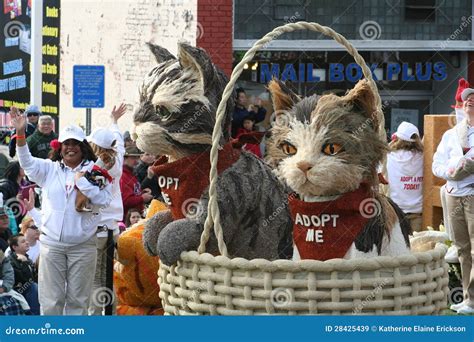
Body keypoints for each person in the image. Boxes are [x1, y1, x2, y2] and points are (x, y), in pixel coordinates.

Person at [11, 106, 113, 315]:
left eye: (75, 143)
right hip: (52, 246)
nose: (71, 148)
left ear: (83, 147)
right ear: (60, 147)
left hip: (83, 246)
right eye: (67, 143)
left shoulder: (96, 172)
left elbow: (103, 199)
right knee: (50, 302)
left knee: (78, 303)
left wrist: (82, 182)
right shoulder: (49, 168)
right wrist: (21, 133)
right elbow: (27, 162)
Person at [433, 87, 474, 314]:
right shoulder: (450, 135)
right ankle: (468, 298)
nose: (470, 102)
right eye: (467, 99)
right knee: (462, 249)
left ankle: (472, 300)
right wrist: (451, 172)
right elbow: (436, 165)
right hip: (453, 194)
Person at [87, 104, 126, 316]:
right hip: (113, 229)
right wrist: (114, 122)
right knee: (109, 277)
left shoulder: (91, 167)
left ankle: (94, 320)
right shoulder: (117, 161)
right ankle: (110, 316)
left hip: (95, 229)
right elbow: (118, 141)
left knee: (95, 279)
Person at [386, 122, 424, 232]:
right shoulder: (424, 157)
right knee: (416, 246)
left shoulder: (390, 156)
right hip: (417, 212)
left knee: (397, 246)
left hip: (395, 211)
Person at [8, 234, 40, 315]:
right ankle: (34, 318)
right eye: (23, 242)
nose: (27, 242)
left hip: (28, 290)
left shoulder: (26, 258)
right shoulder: (10, 261)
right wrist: (25, 263)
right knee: (33, 287)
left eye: (26, 240)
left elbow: (34, 277)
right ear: (14, 247)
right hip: (16, 291)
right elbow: (25, 281)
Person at [120, 146, 153, 221]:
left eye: (137, 158)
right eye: (133, 158)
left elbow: (133, 193)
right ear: (124, 159)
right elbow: (125, 201)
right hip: (127, 220)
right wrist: (142, 198)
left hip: (136, 217)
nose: (137, 161)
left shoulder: (131, 173)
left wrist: (142, 192)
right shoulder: (122, 176)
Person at [0, 161, 30, 227]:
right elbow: (1, 203)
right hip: (13, 218)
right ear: (16, 170)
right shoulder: (5, 185)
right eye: (22, 167)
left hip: (25, 216)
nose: (25, 168)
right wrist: (15, 199)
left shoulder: (26, 184)